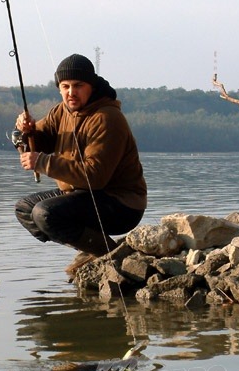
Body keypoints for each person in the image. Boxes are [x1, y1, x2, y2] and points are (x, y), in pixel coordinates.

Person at [14, 54, 147, 275]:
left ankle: (115, 256)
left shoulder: (107, 118)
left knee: (45, 213)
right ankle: (93, 249)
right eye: (65, 86)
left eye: (78, 86)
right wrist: (26, 131)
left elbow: (95, 176)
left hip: (121, 204)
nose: (71, 92)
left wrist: (43, 162)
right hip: (82, 195)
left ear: (91, 86)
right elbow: (38, 143)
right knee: (25, 209)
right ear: (59, 88)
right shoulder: (61, 111)